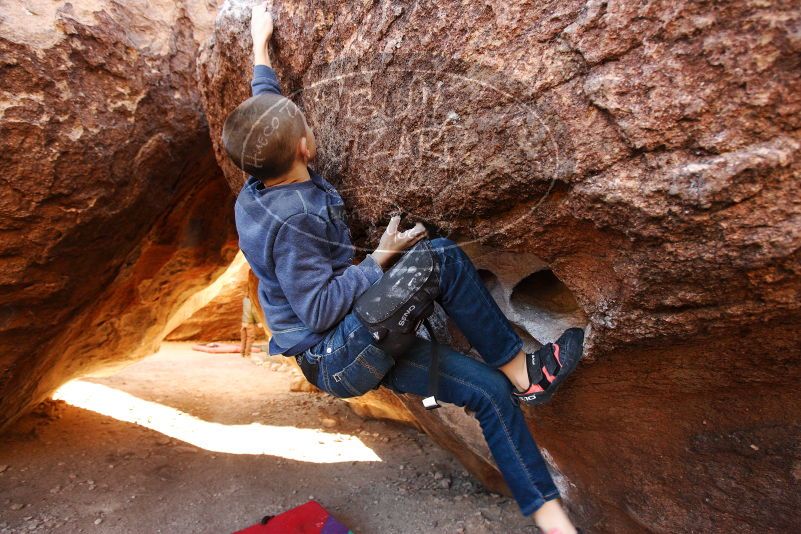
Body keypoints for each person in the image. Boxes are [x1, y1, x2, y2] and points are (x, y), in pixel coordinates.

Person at [224, 5, 585, 533]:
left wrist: (261, 43)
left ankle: (556, 525)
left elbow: (264, 107)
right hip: (334, 350)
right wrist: (379, 260)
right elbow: (319, 307)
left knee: (485, 393)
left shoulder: (257, 178)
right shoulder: (296, 216)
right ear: (304, 146)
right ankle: (523, 372)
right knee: (437, 257)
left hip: (350, 345)